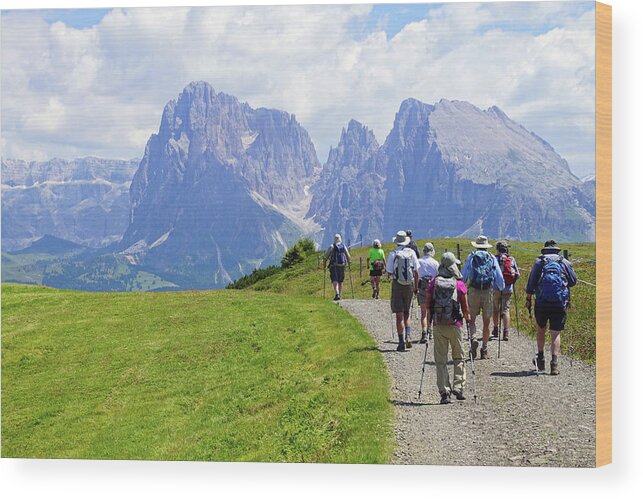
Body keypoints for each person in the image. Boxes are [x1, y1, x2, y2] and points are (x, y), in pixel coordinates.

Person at [525, 240, 577, 375]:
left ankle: (540, 359)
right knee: (555, 333)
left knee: (541, 329)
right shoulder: (564, 262)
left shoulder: (539, 262)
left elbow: (531, 282)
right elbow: (573, 281)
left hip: (541, 302)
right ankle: (554, 364)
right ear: (557, 250)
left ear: (545, 250)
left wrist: (528, 298)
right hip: (559, 302)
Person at [425, 252, 470, 404]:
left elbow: (428, 302)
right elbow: (464, 304)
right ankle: (458, 387)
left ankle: (444, 392)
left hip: (439, 325)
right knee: (459, 357)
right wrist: (467, 317)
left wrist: (431, 318)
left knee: (441, 359)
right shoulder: (458, 284)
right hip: (455, 325)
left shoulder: (434, 282)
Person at [462, 235, 504, 359]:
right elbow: (499, 277)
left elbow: (464, 275)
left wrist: (463, 286)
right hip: (488, 291)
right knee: (487, 322)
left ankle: (473, 338)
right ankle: (484, 349)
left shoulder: (471, 256)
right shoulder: (491, 257)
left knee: (472, 319)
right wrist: (501, 288)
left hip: (474, 290)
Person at [386, 230, 419, 351]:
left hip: (397, 285)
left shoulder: (393, 254)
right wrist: (415, 287)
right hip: (409, 285)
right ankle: (408, 336)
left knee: (399, 315)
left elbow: (389, 272)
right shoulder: (411, 253)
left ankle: (400, 343)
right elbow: (416, 272)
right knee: (407, 313)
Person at [493, 240, 520, 341]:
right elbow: (517, 274)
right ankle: (506, 332)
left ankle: (495, 330)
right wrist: (512, 282)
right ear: (506, 248)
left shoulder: (494, 259)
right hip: (508, 288)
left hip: (496, 288)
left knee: (495, 309)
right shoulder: (511, 259)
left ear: (497, 249)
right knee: (506, 309)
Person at [417, 242, 439, 344]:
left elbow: (416, 274)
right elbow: (438, 277)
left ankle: (424, 332)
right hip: (432, 288)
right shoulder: (435, 263)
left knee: (423, 312)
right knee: (430, 310)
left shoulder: (419, 262)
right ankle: (430, 330)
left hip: (422, 287)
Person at [323, 234, 351, 301]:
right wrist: (349, 264)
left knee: (334, 280)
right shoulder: (343, 246)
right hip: (342, 266)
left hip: (334, 266)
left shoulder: (332, 246)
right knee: (340, 280)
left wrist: (324, 265)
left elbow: (325, 257)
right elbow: (348, 256)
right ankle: (340, 294)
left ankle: (337, 293)